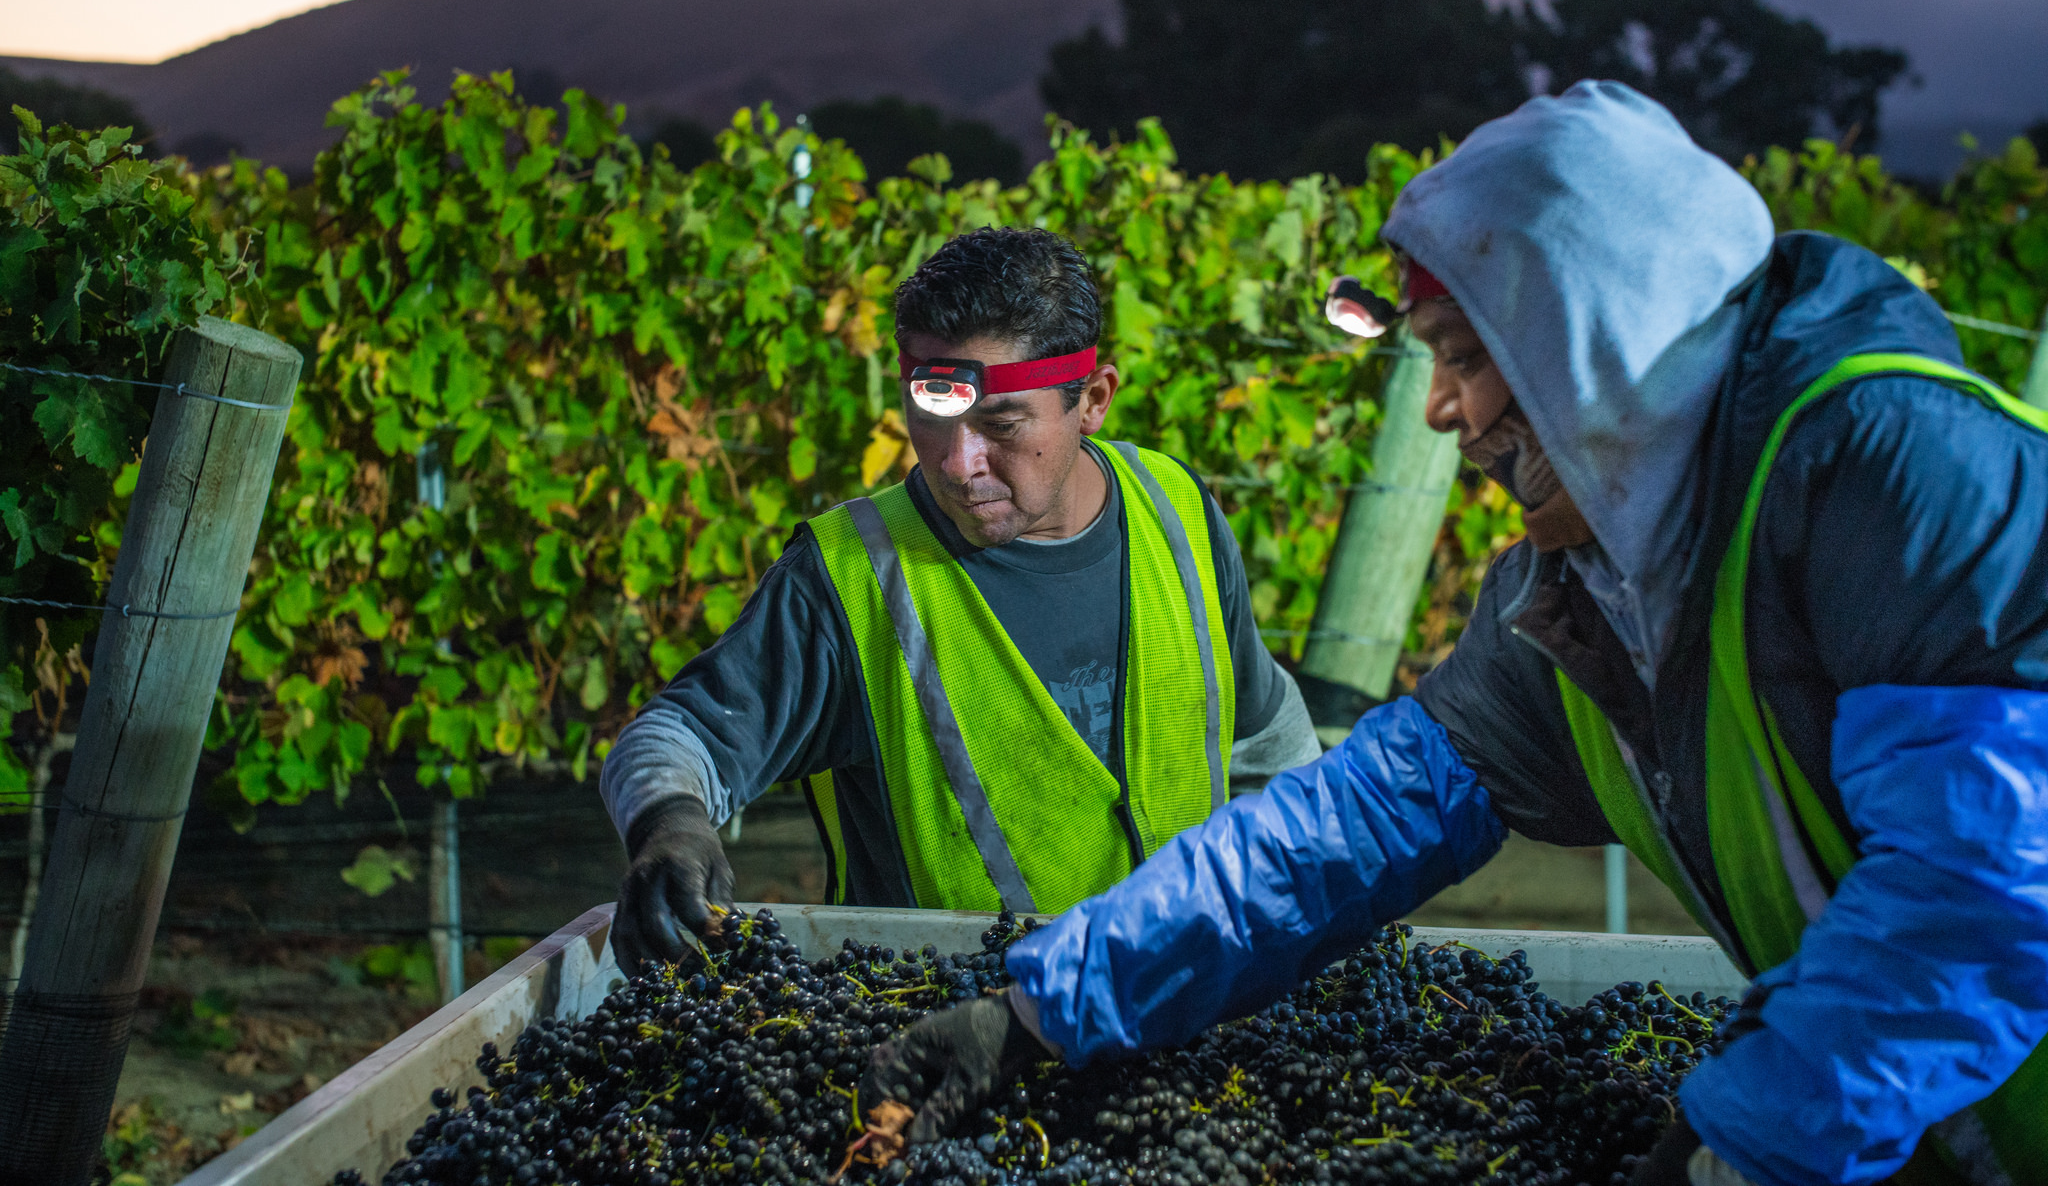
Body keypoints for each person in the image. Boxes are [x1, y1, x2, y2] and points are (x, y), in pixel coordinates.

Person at [864, 83, 2048, 1186]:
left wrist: (1739, 1139)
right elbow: (1340, 833)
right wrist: (1032, 1011)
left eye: (1466, 358)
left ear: (1601, 347)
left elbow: (1987, 891)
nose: (1438, 410)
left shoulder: (1892, 477)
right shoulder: (1579, 604)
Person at [601, 226, 1320, 974]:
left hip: (1184, 1013)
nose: (957, 461)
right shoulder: (848, 579)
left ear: (1094, 400)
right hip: (938, 1042)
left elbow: (1270, 742)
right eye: (932, 421)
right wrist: (670, 823)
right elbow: (674, 739)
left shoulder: (1176, 512)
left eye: (1000, 426)